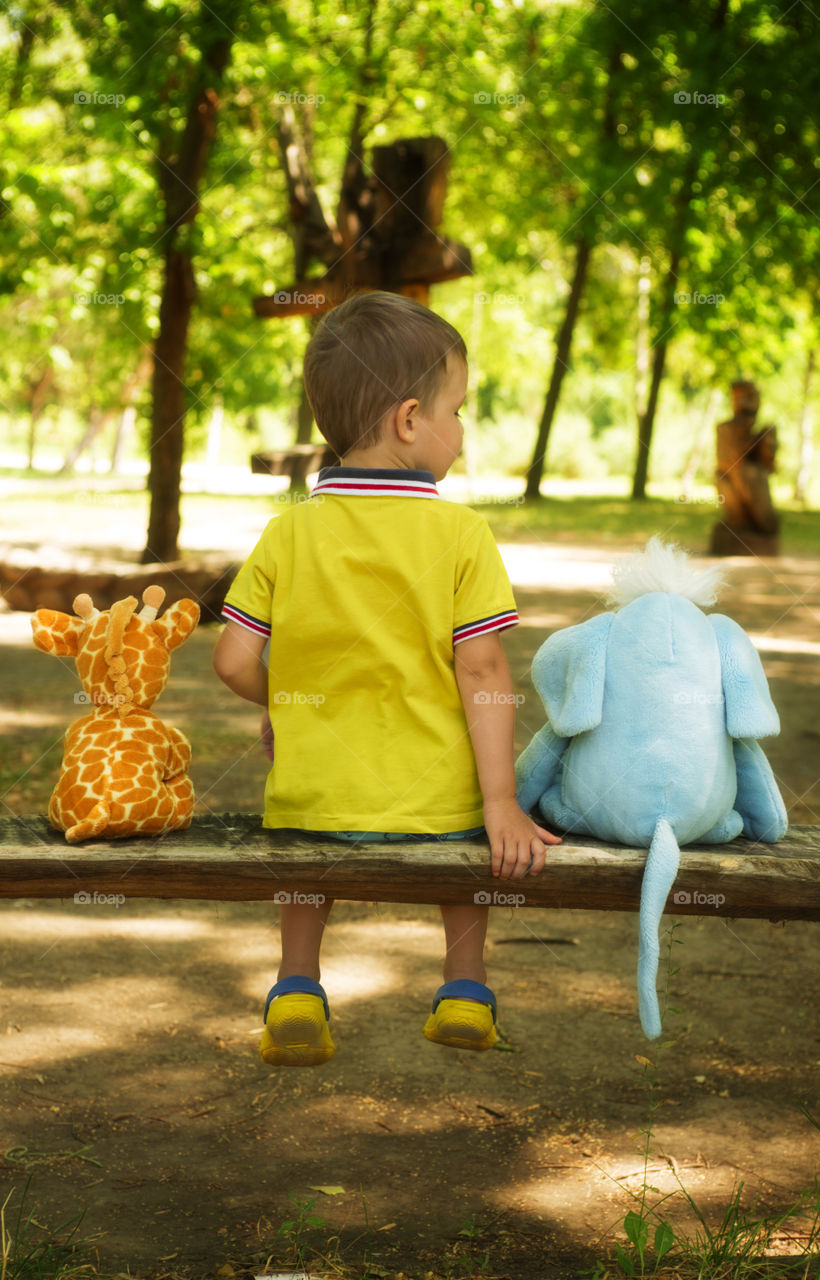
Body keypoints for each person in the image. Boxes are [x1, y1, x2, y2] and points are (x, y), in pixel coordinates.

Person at [213, 291, 559, 1067]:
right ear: (410, 421)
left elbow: (233, 660)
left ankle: (297, 986)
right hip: (438, 802)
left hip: (312, 797)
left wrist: (289, 703)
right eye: (459, 411)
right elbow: (483, 668)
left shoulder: (289, 530)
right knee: (471, 845)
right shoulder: (462, 535)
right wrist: (500, 803)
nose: (463, 434)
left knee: (305, 864)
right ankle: (464, 990)